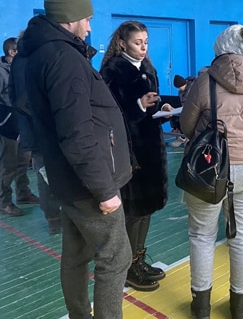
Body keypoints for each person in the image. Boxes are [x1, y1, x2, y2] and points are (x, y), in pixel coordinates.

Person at [21, 0, 132, 319]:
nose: (90, 26)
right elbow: (77, 132)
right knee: (115, 257)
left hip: (64, 176)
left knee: (76, 253)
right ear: (70, 19)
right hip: (87, 181)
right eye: (87, 18)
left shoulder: (36, 54)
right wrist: (104, 189)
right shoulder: (63, 59)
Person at [180, 25, 243, 319]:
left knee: (202, 235)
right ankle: (239, 304)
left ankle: (202, 304)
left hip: (210, 168)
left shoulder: (206, 80)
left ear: (220, 47)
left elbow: (184, 125)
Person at [100, 21, 170, 292]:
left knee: (148, 208)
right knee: (133, 211)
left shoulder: (149, 69)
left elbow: (152, 101)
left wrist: (162, 106)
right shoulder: (112, 71)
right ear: (122, 43)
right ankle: (128, 267)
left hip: (151, 148)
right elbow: (109, 115)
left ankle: (138, 259)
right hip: (129, 151)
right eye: (137, 42)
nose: (143, 47)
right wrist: (139, 106)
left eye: (146, 42)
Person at [0, 37, 39, 217]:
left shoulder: (21, 70)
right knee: (8, 165)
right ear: (12, 52)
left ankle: (23, 194)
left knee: (22, 162)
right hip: (8, 127)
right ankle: (4, 203)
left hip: (24, 125)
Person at [9, 32, 62, 234]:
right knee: (55, 173)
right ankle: (61, 217)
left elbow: (13, 95)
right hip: (50, 127)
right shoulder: (43, 58)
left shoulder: (17, 61)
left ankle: (53, 219)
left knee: (43, 174)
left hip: (32, 130)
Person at [170, 74, 196, 147]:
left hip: (192, 110)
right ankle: (181, 134)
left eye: (179, 87)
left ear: (184, 84)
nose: (179, 89)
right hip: (183, 110)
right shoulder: (181, 91)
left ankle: (185, 137)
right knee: (175, 116)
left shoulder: (194, 88)